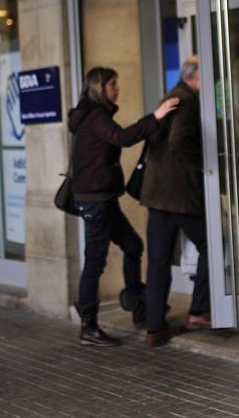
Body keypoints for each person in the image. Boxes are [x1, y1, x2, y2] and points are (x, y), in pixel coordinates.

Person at [68, 66, 179, 347]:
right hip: (95, 201)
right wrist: (155, 118)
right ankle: (89, 327)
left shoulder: (89, 115)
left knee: (133, 245)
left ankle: (134, 301)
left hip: (101, 198)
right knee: (94, 262)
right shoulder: (95, 117)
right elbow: (123, 137)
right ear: (100, 88)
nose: (118, 89)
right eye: (113, 85)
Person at [139, 56, 210, 347]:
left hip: (157, 194)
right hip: (178, 193)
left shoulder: (170, 96)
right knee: (210, 245)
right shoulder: (188, 101)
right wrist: (203, 167)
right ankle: (199, 311)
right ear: (196, 75)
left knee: (157, 261)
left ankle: (154, 327)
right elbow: (180, 142)